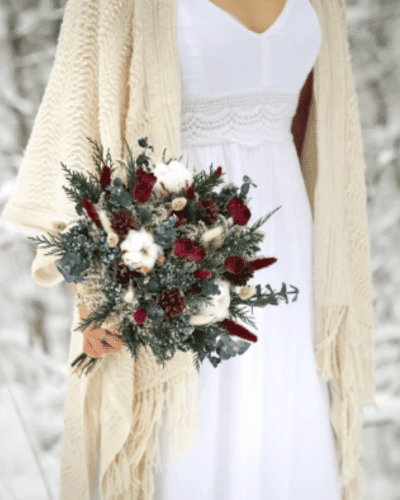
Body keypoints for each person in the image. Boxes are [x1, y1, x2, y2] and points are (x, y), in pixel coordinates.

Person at [1, 0, 377, 499]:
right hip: (172, 250)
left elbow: (319, 126)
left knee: (283, 426)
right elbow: (78, 115)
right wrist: (96, 287)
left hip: (291, 251)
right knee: (183, 437)